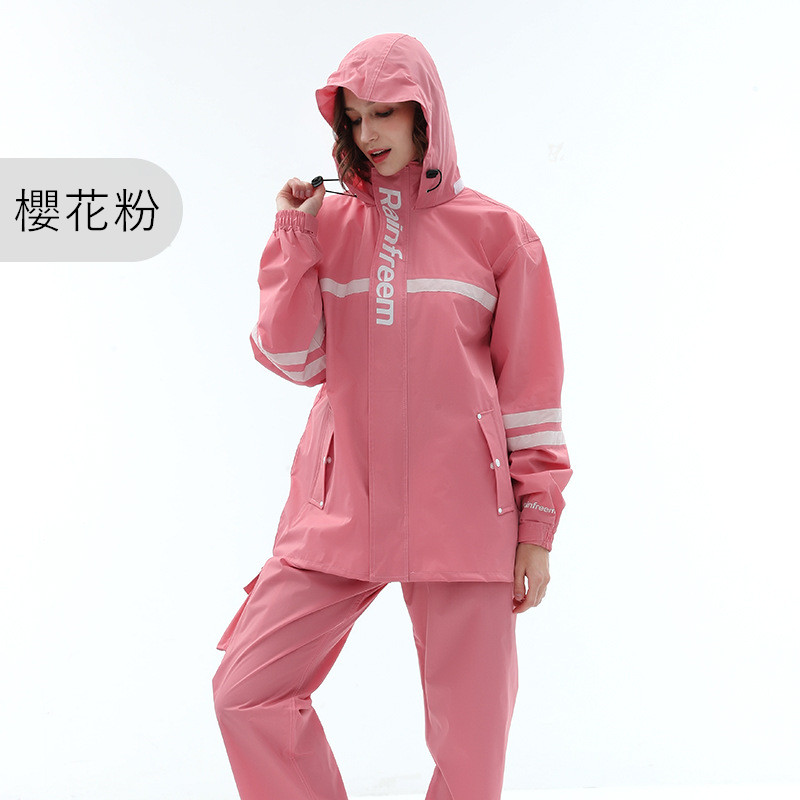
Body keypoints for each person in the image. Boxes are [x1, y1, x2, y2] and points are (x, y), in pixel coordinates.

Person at [212, 33, 572, 800]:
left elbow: (532, 394)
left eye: (385, 113)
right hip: (341, 507)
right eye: (355, 118)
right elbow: (291, 360)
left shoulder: (500, 235)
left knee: (472, 755)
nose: (369, 133)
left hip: (462, 515)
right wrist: (292, 237)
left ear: (424, 114)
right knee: (246, 689)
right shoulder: (326, 224)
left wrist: (537, 528)